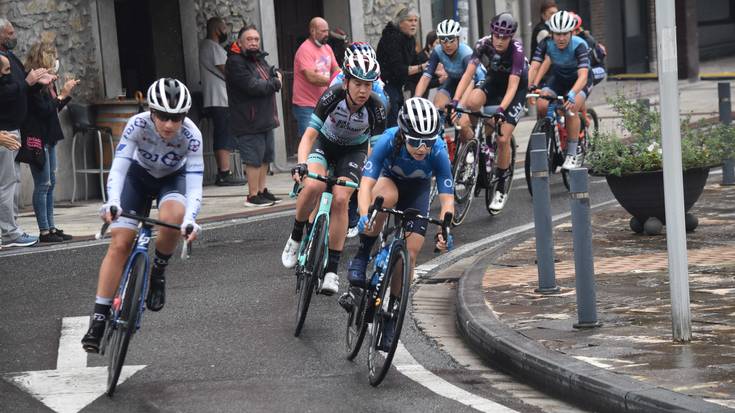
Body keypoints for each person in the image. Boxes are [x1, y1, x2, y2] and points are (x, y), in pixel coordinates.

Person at [81, 78, 203, 353]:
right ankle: (99, 318)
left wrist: (190, 219)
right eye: (163, 116)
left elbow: (195, 182)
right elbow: (120, 167)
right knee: (120, 243)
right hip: (137, 177)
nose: (170, 124)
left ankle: (158, 272)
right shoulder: (136, 124)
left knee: (173, 218)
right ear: (151, 111)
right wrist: (112, 201)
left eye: (177, 117)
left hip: (172, 179)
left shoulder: (192, 135)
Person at [340, 97, 454, 348]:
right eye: (416, 141)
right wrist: (362, 216)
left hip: (418, 191)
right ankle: (362, 255)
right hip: (388, 180)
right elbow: (366, 184)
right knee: (384, 197)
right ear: (404, 134)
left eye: (428, 141)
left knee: (411, 253)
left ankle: (392, 313)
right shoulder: (389, 139)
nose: (423, 148)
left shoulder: (438, 150)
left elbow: (447, 197)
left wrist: (445, 228)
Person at [281, 53, 386, 296]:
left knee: (341, 198)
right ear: (346, 81)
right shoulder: (333, 95)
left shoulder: (377, 107)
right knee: (314, 186)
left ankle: (331, 271)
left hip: (353, 151)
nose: (362, 90)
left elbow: (377, 152)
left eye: (368, 85)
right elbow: (308, 136)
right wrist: (301, 164)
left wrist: (370, 181)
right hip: (324, 144)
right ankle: (296, 237)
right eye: (357, 83)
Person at [451, 13, 528, 212]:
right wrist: (455, 101)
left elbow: (512, 87)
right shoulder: (483, 44)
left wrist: (502, 110)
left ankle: (501, 187)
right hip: (493, 83)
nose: (500, 40)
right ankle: (481, 142)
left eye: (505, 37)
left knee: (503, 138)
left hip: (515, 89)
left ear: (511, 37)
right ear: (492, 33)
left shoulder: (517, 51)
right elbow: (468, 74)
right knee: (472, 100)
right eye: (497, 36)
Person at [0, 17, 53, 249]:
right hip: (5, 130)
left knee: (13, 181)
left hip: (13, 128)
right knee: (7, 183)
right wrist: (27, 82)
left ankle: (10, 229)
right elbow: (6, 92)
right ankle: (9, 232)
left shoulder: (8, 56)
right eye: (10, 33)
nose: (14, 37)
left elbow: (18, 85)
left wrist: (36, 82)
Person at [23, 33, 80, 242]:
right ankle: (44, 230)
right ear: (44, 58)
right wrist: (63, 95)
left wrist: (65, 94)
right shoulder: (34, 84)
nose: (56, 60)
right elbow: (43, 110)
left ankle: (52, 227)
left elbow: (53, 110)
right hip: (39, 138)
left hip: (50, 136)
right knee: (43, 184)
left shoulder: (48, 83)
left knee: (51, 182)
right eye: (53, 56)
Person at [226, 25, 283, 207]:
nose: (253, 42)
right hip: (248, 120)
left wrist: (272, 77)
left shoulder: (259, 59)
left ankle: (261, 191)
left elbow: (267, 77)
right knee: (253, 159)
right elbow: (252, 86)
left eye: (256, 39)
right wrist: (274, 82)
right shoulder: (235, 62)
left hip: (265, 118)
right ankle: (252, 196)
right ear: (240, 42)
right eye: (249, 39)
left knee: (266, 157)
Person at [528, 10, 592, 170]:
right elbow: (534, 66)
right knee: (542, 105)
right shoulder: (546, 43)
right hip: (558, 79)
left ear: (571, 32)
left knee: (571, 109)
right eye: (557, 34)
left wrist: (572, 94)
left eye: (565, 34)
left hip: (579, 81)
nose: (561, 38)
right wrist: (531, 86)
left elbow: (583, 76)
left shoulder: (579, 45)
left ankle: (572, 152)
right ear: (551, 33)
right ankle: (551, 134)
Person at [200, 17, 244, 187]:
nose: (226, 31)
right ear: (216, 29)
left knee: (224, 133)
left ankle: (225, 172)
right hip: (218, 98)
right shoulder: (211, 46)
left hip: (217, 97)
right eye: (224, 27)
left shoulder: (209, 46)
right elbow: (228, 70)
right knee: (223, 134)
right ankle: (224, 173)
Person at [414, 19, 486, 118]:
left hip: (475, 81)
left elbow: (469, 81)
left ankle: (482, 127)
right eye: (443, 40)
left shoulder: (466, 53)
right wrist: (416, 98)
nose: (448, 45)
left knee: (463, 118)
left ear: (458, 39)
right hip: (454, 80)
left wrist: (460, 106)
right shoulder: (437, 51)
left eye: (452, 40)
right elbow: (426, 77)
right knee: (438, 107)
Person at [377, 7, 426, 127]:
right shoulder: (391, 38)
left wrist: (436, 75)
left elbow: (415, 66)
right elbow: (399, 70)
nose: (414, 24)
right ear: (400, 22)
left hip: (399, 87)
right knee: (393, 124)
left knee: (401, 122)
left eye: (415, 20)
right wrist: (421, 67)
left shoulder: (410, 40)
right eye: (410, 20)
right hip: (385, 85)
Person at [292, 17, 340, 139]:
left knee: (325, 142)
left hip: (324, 103)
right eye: (323, 31)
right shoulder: (305, 49)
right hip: (306, 106)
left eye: (327, 31)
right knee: (310, 142)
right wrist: (334, 81)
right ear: (313, 31)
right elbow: (311, 77)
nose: (326, 34)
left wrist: (343, 78)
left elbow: (336, 70)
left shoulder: (327, 48)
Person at [569, 12, 606, 85]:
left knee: (584, 75)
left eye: (570, 32)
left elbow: (586, 64)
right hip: (582, 68)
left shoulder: (587, 41)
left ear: (577, 31)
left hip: (596, 68)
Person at [408, 30, 444, 99]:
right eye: (437, 43)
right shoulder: (421, 58)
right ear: (429, 45)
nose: (440, 46)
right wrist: (440, 80)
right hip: (414, 93)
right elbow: (424, 81)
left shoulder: (435, 57)